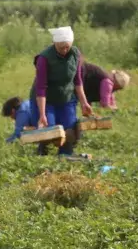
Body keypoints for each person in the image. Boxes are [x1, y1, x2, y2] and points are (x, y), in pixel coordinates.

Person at [31, 26, 94, 156]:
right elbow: (41, 87)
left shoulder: (75, 54)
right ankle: (43, 151)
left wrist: (84, 103)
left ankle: (65, 156)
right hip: (47, 99)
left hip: (66, 98)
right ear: (54, 44)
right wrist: (42, 114)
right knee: (51, 130)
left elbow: (77, 81)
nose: (65, 50)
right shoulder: (44, 58)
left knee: (69, 131)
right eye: (61, 48)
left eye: (67, 47)